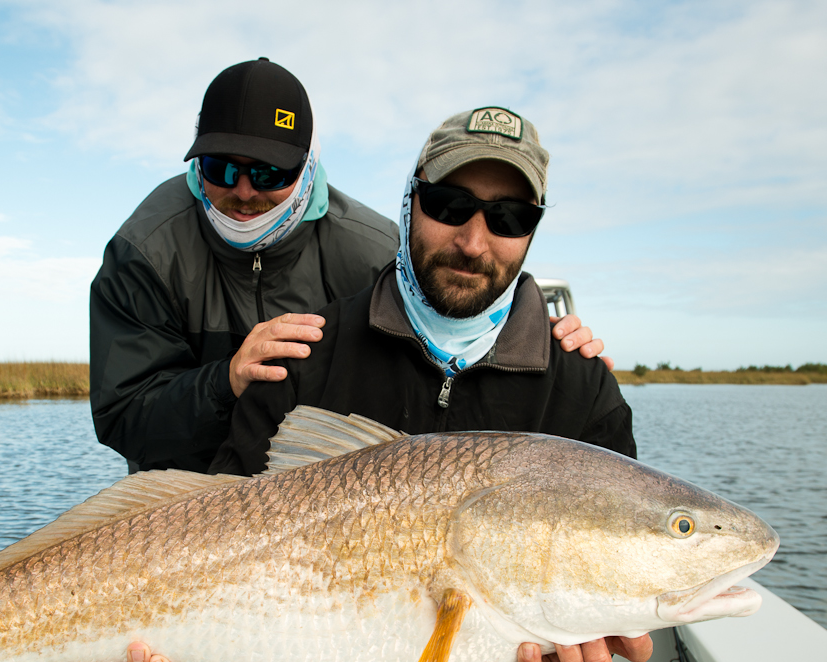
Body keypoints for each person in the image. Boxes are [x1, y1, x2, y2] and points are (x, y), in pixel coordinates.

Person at [8, 108, 736, 662]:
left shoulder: (578, 381)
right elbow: (211, 532)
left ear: (533, 233)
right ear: (408, 203)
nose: (475, 238)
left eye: (510, 219)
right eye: (450, 202)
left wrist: (592, 634)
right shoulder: (303, 354)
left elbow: (609, 581)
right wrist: (157, 643)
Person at [88, 58, 607, 475]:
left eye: (270, 172)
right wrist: (225, 382)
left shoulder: (375, 248)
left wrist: (550, 343)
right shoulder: (144, 252)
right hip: (167, 511)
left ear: (308, 163)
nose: (244, 191)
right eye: (220, 167)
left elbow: (450, 315)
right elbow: (121, 416)